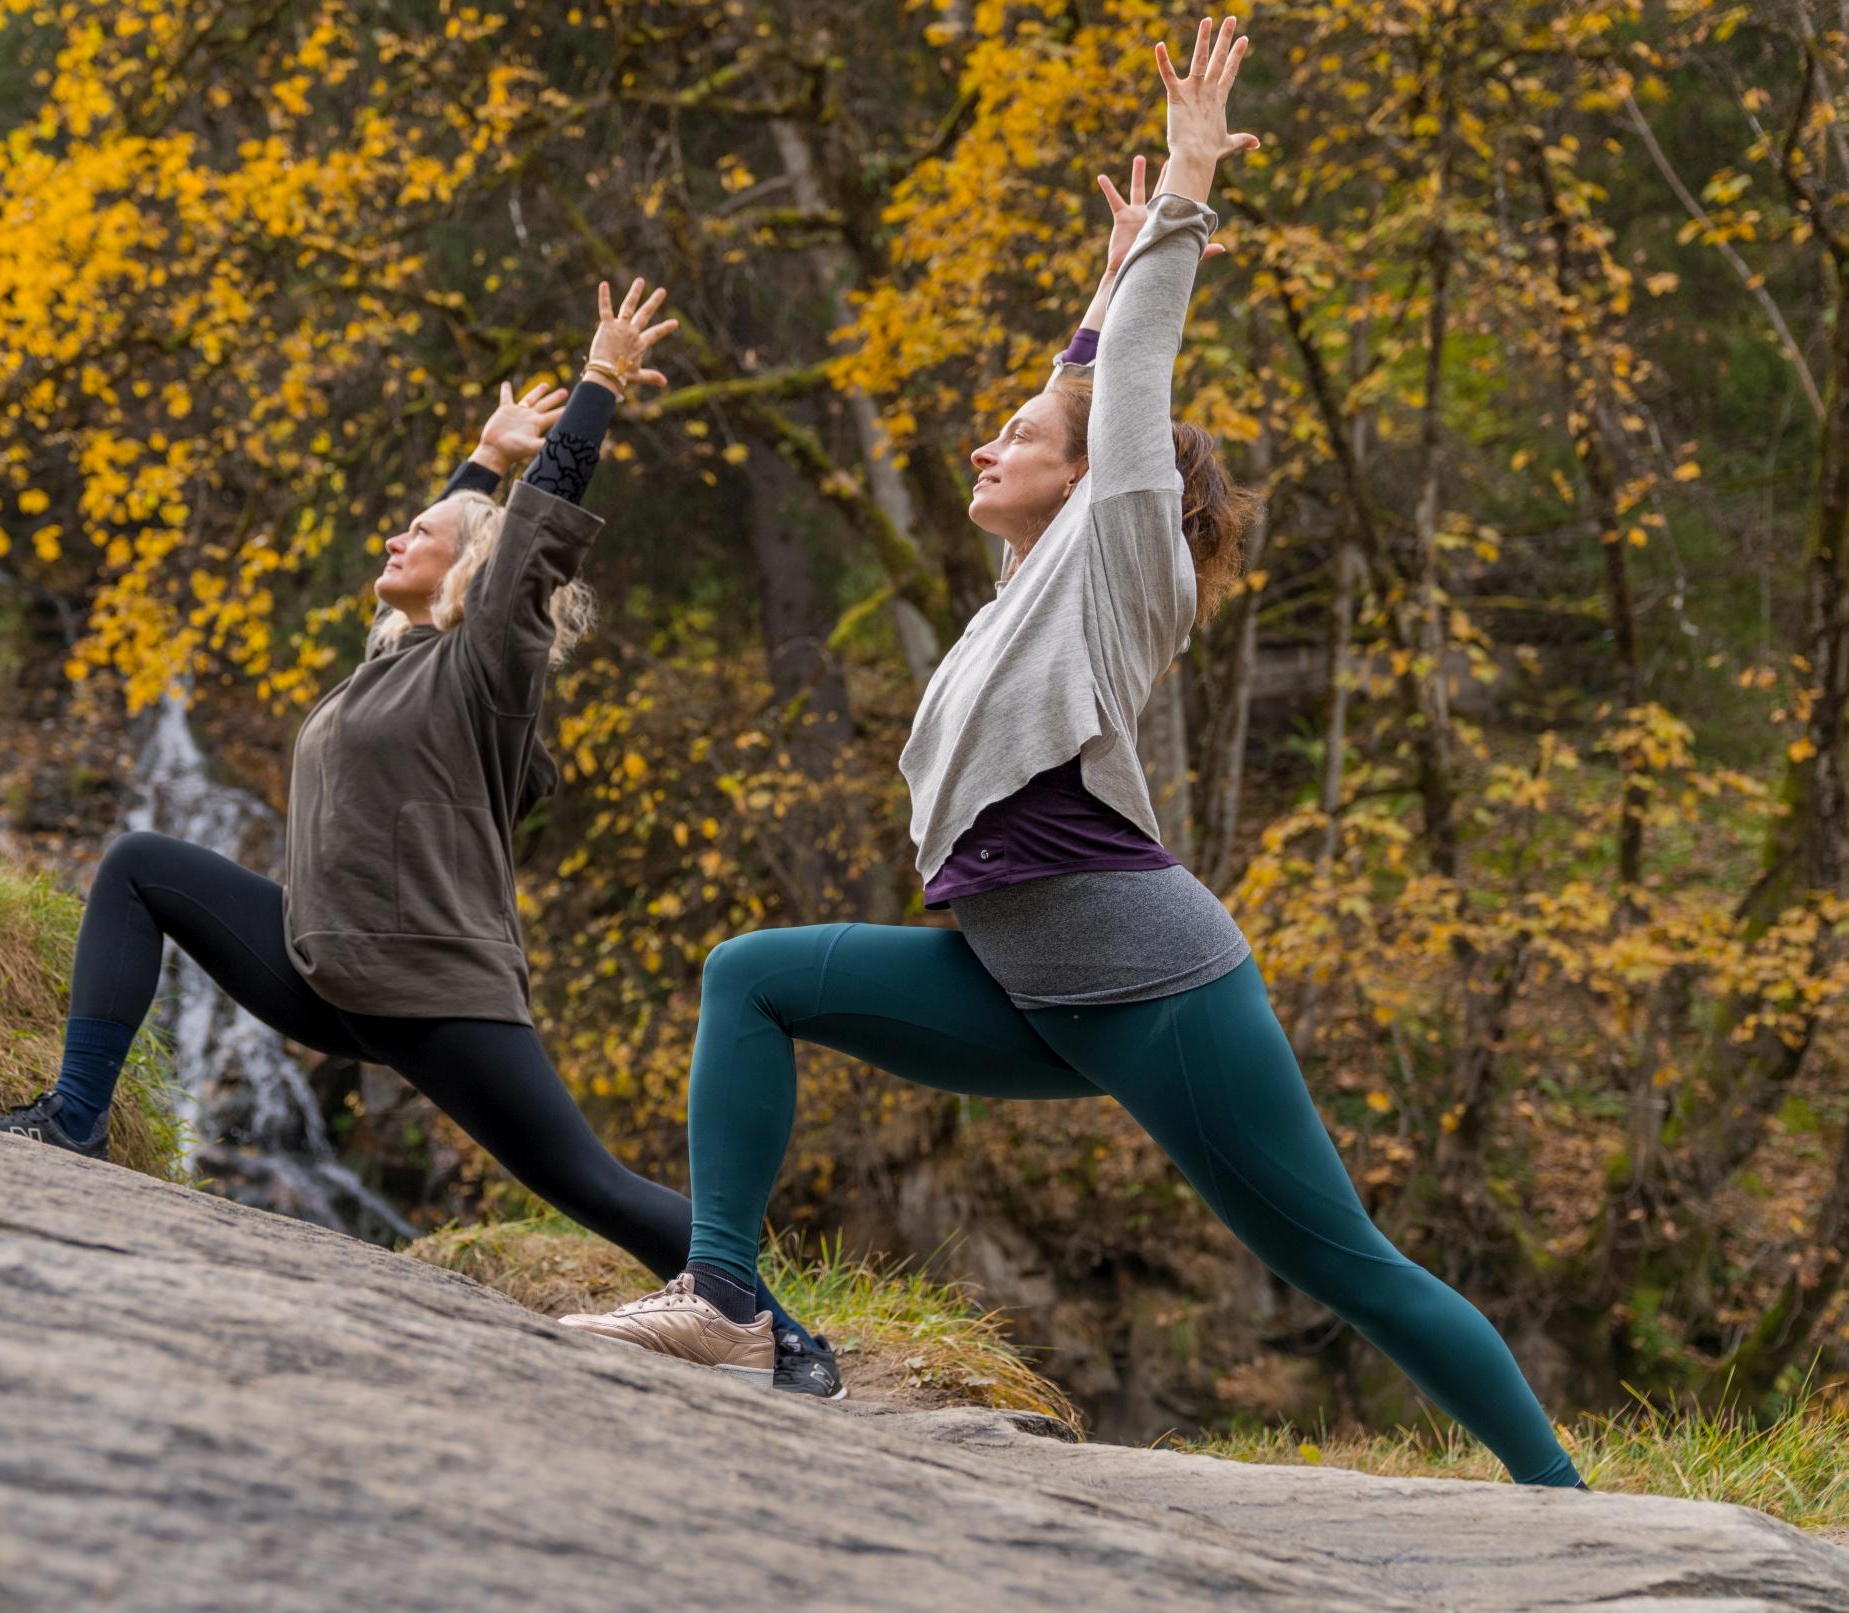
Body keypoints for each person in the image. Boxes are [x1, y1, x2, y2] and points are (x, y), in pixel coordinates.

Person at [560, 19, 1585, 1486]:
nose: (983, 447)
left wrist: (1182, 190)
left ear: (1098, 476)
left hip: (1152, 983)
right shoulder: (1028, 590)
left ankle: (1569, 1509)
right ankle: (722, 1297)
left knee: (1347, 1265)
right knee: (750, 977)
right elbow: (1095, 375)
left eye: (1015, 434)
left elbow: (1129, 396)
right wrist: (1101, 288)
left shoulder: (1119, 551)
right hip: (1021, 977)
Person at [0, 279, 846, 1397]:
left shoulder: (485, 664)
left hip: (434, 984)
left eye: (423, 533)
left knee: (590, 1182)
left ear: (475, 576)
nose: (396, 534)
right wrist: (480, 460)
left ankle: (775, 1329)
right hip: (321, 960)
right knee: (138, 865)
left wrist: (595, 385)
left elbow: (522, 546)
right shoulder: (394, 658)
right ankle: (73, 1118)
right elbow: (456, 541)